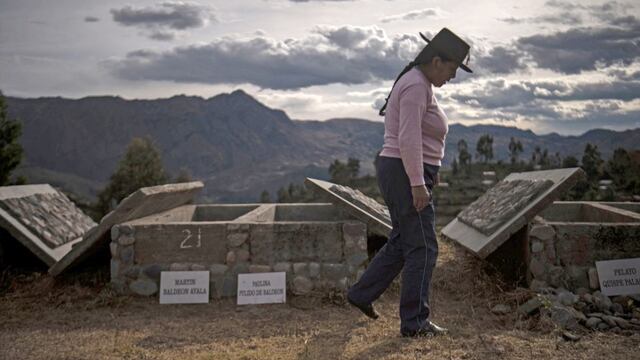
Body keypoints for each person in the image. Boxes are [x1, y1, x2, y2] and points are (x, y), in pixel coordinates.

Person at [347, 28, 472, 337]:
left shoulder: (420, 83)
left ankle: (361, 294)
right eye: (453, 69)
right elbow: (408, 137)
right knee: (424, 247)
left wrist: (430, 170)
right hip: (404, 172)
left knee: (405, 240)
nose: (453, 77)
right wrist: (418, 181)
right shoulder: (417, 85)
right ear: (438, 61)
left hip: (403, 169)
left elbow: (420, 137)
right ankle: (415, 323)